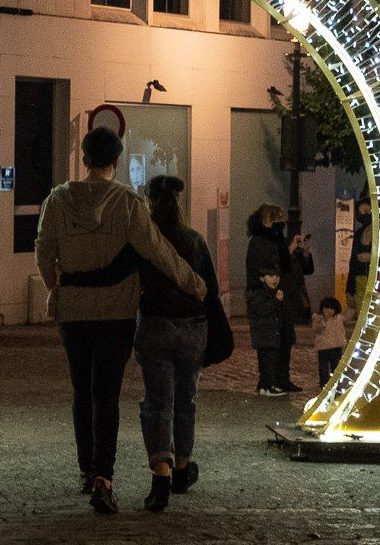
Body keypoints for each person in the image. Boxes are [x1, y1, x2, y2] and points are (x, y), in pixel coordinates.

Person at [35, 127, 206, 515]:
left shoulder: (58, 200)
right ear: (117, 160)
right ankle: (104, 478)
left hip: (74, 312)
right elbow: (158, 252)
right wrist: (194, 284)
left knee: (82, 389)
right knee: (106, 394)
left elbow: (43, 253)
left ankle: (86, 469)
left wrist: (57, 288)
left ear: (84, 158)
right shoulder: (128, 203)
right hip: (116, 313)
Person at [133, 175, 218, 512]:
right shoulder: (194, 240)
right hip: (192, 330)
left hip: (154, 326)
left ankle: (161, 478)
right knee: (186, 399)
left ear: (150, 202)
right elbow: (209, 288)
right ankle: (182, 467)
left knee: (157, 402)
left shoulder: (144, 241)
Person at [245, 204, 313, 396]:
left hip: (285, 297)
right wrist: (290, 249)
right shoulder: (259, 242)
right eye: (275, 219)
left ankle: (282, 379)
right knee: (269, 343)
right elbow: (272, 267)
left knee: (285, 339)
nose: (279, 223)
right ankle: (268, 382)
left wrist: (304, 253)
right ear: (265, 221)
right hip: (268, 297)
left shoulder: (277, 239)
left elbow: (298, 267)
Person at [346, 195, 372, 316]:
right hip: (359, 281)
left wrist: (372, 257)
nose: (363, 215)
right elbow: (352, 261)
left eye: (366, 211)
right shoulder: (358, 234)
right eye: (360, 212)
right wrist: (349, 289)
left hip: (376, 281)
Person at [312, 297, 347, 389]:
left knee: (336, 367)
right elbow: (315, 329)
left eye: (331, 308)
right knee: (323, 368)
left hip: (336, 347)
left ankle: (336, 384)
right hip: (323, 347)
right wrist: (322, 322)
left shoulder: (338, 318)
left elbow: (348, 318)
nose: (328, 311)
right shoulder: (318, 318)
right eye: (326, 308)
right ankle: (324, 385)